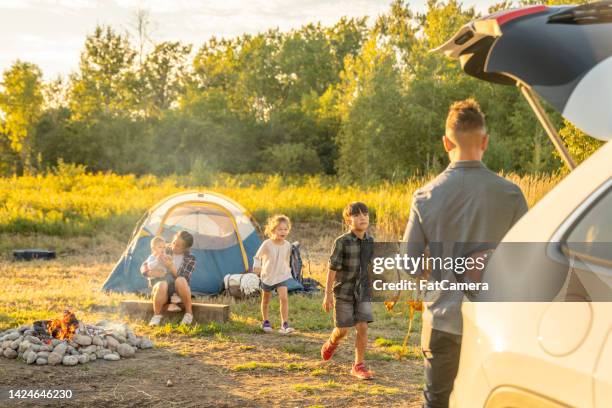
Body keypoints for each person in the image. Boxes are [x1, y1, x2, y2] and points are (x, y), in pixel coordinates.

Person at [403, 99, 528, 408]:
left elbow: (408, 264)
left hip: (444, 322)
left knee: (437, 401)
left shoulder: (425, 196)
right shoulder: (511, 194)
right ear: (485, 141)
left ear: (446, 142)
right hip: (496, 326)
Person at [321, 202, 374, 380]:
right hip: (343, 292)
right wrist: (327, 294)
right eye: (357, 215)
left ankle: (358, 365)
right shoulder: (341, 242)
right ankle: (332, 342)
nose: (362, 218)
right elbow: (332, 269)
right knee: (342, 330)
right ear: (348, 220)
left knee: (363, 326)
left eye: (365, 214)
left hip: (362, 293)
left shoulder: (371, 241)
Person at [142, 230, 197, 326]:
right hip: (161, 290)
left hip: (178, 291)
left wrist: (171, 267)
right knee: (162, 284)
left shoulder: (190, 258)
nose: (173, 246)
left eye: (178, 245)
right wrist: (151, 272)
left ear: (186, 248)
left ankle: (189, 314)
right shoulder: (164, 249)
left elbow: (185, 278)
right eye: (174, 242)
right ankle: (156, 316)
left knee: (181, 280)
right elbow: (144, 265)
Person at [253, 214, 295, 334]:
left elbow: (286, 260)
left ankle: (284, 324)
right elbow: (257, 256)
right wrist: (257, 266)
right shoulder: (267, 244)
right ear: (273, 230)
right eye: (280, 229)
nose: (283, 231)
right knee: (266, 299)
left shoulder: (287, 245)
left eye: (286, 229)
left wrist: (288, 270)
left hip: (281, 276)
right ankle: (265, 321)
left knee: (284, 298)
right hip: (268, 276)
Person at [141, 236, 182, 312]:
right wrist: (157, 260)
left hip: (165, 276)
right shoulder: (152, 257)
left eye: (164, 247)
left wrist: (169, 259)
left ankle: (174, 298)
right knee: (164, 282)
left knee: (172, 281)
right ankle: (167, 302)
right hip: (155, 279)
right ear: (153, 249)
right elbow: (149, 266)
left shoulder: (165, 254)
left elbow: (171, 265)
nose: (162, 249)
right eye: (160, 247)